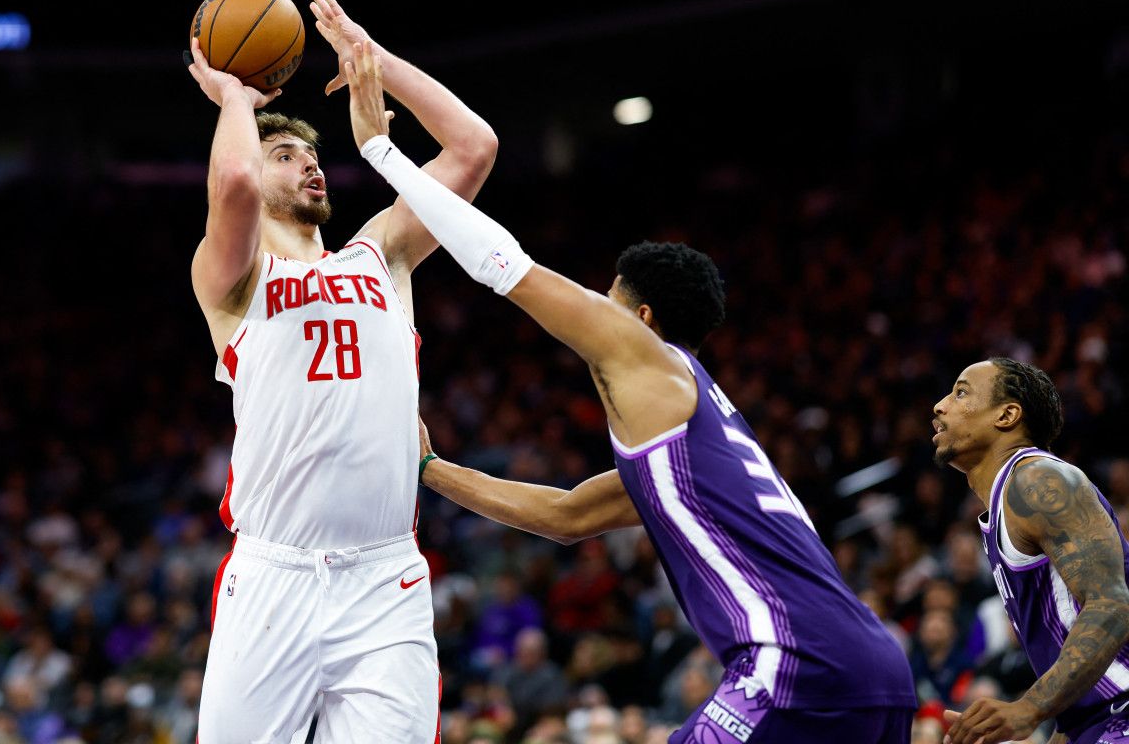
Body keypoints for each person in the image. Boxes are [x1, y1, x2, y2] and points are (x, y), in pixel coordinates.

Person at [341, 40, 916, 742]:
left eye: (606, 300)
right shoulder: (690, 449)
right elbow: (565, 516)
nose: (593, 313)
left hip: (797, 661)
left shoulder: (656, 363)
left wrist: (380, 151)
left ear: (641, 318)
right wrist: (432, 469)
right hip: (870, 666)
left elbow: (502, 264)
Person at [183, 0, 498, 742]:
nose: (309, 166)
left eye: (314, 156)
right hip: (273, 575)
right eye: (285, 156)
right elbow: (232, 183)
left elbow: (474, 147)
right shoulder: (233, 280)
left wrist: (371, 57)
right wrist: (236, 98)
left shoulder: (381, 252)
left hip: (383, 579)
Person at [931, 358, 1129, 744]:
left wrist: (1029, 708)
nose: (940, 406)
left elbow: (1112, 605)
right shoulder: (1007, 502)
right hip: (1097, 721)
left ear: (1006, 415)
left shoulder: (1038, 480)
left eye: (961, 392)